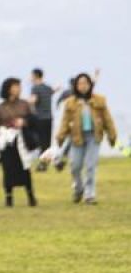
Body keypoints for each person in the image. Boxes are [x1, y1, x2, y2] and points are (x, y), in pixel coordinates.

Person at [56, 73, 117, 204]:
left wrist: (112, 135)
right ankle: (78, 189)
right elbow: (65, 121)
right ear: (76, 86)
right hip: (76, 137)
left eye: (85, 83)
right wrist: (60, 136)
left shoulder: (99, 100)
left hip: (93, 137)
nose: (83, 86)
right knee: (75, 166)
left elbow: (107, 119)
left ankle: (89, 195)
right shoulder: (70, 102)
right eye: (80, 84)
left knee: (90, 166)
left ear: (90, 85)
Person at [0, 77, 38, 207]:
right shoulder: (0, 107)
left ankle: (31, 196)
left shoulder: (24, 104)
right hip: (6, 143)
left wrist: (24, 122)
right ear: (8, 89)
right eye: (16, 86)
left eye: (19, 86)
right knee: (8, 171)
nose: (19, 89)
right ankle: (9, 198)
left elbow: (33, 120)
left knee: (25, 169)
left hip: (21, 141)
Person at [27, 68, 58, 170]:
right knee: (46, 143)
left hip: (39, 118)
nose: (30, 78)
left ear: (35, 76)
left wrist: (25, 102)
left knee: (40, 142)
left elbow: (34, 100)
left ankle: (43, 164)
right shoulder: (47, 87)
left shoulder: (35, 88)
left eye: (31, 76)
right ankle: (47, 163)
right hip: (49, 118)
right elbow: (52, 91)